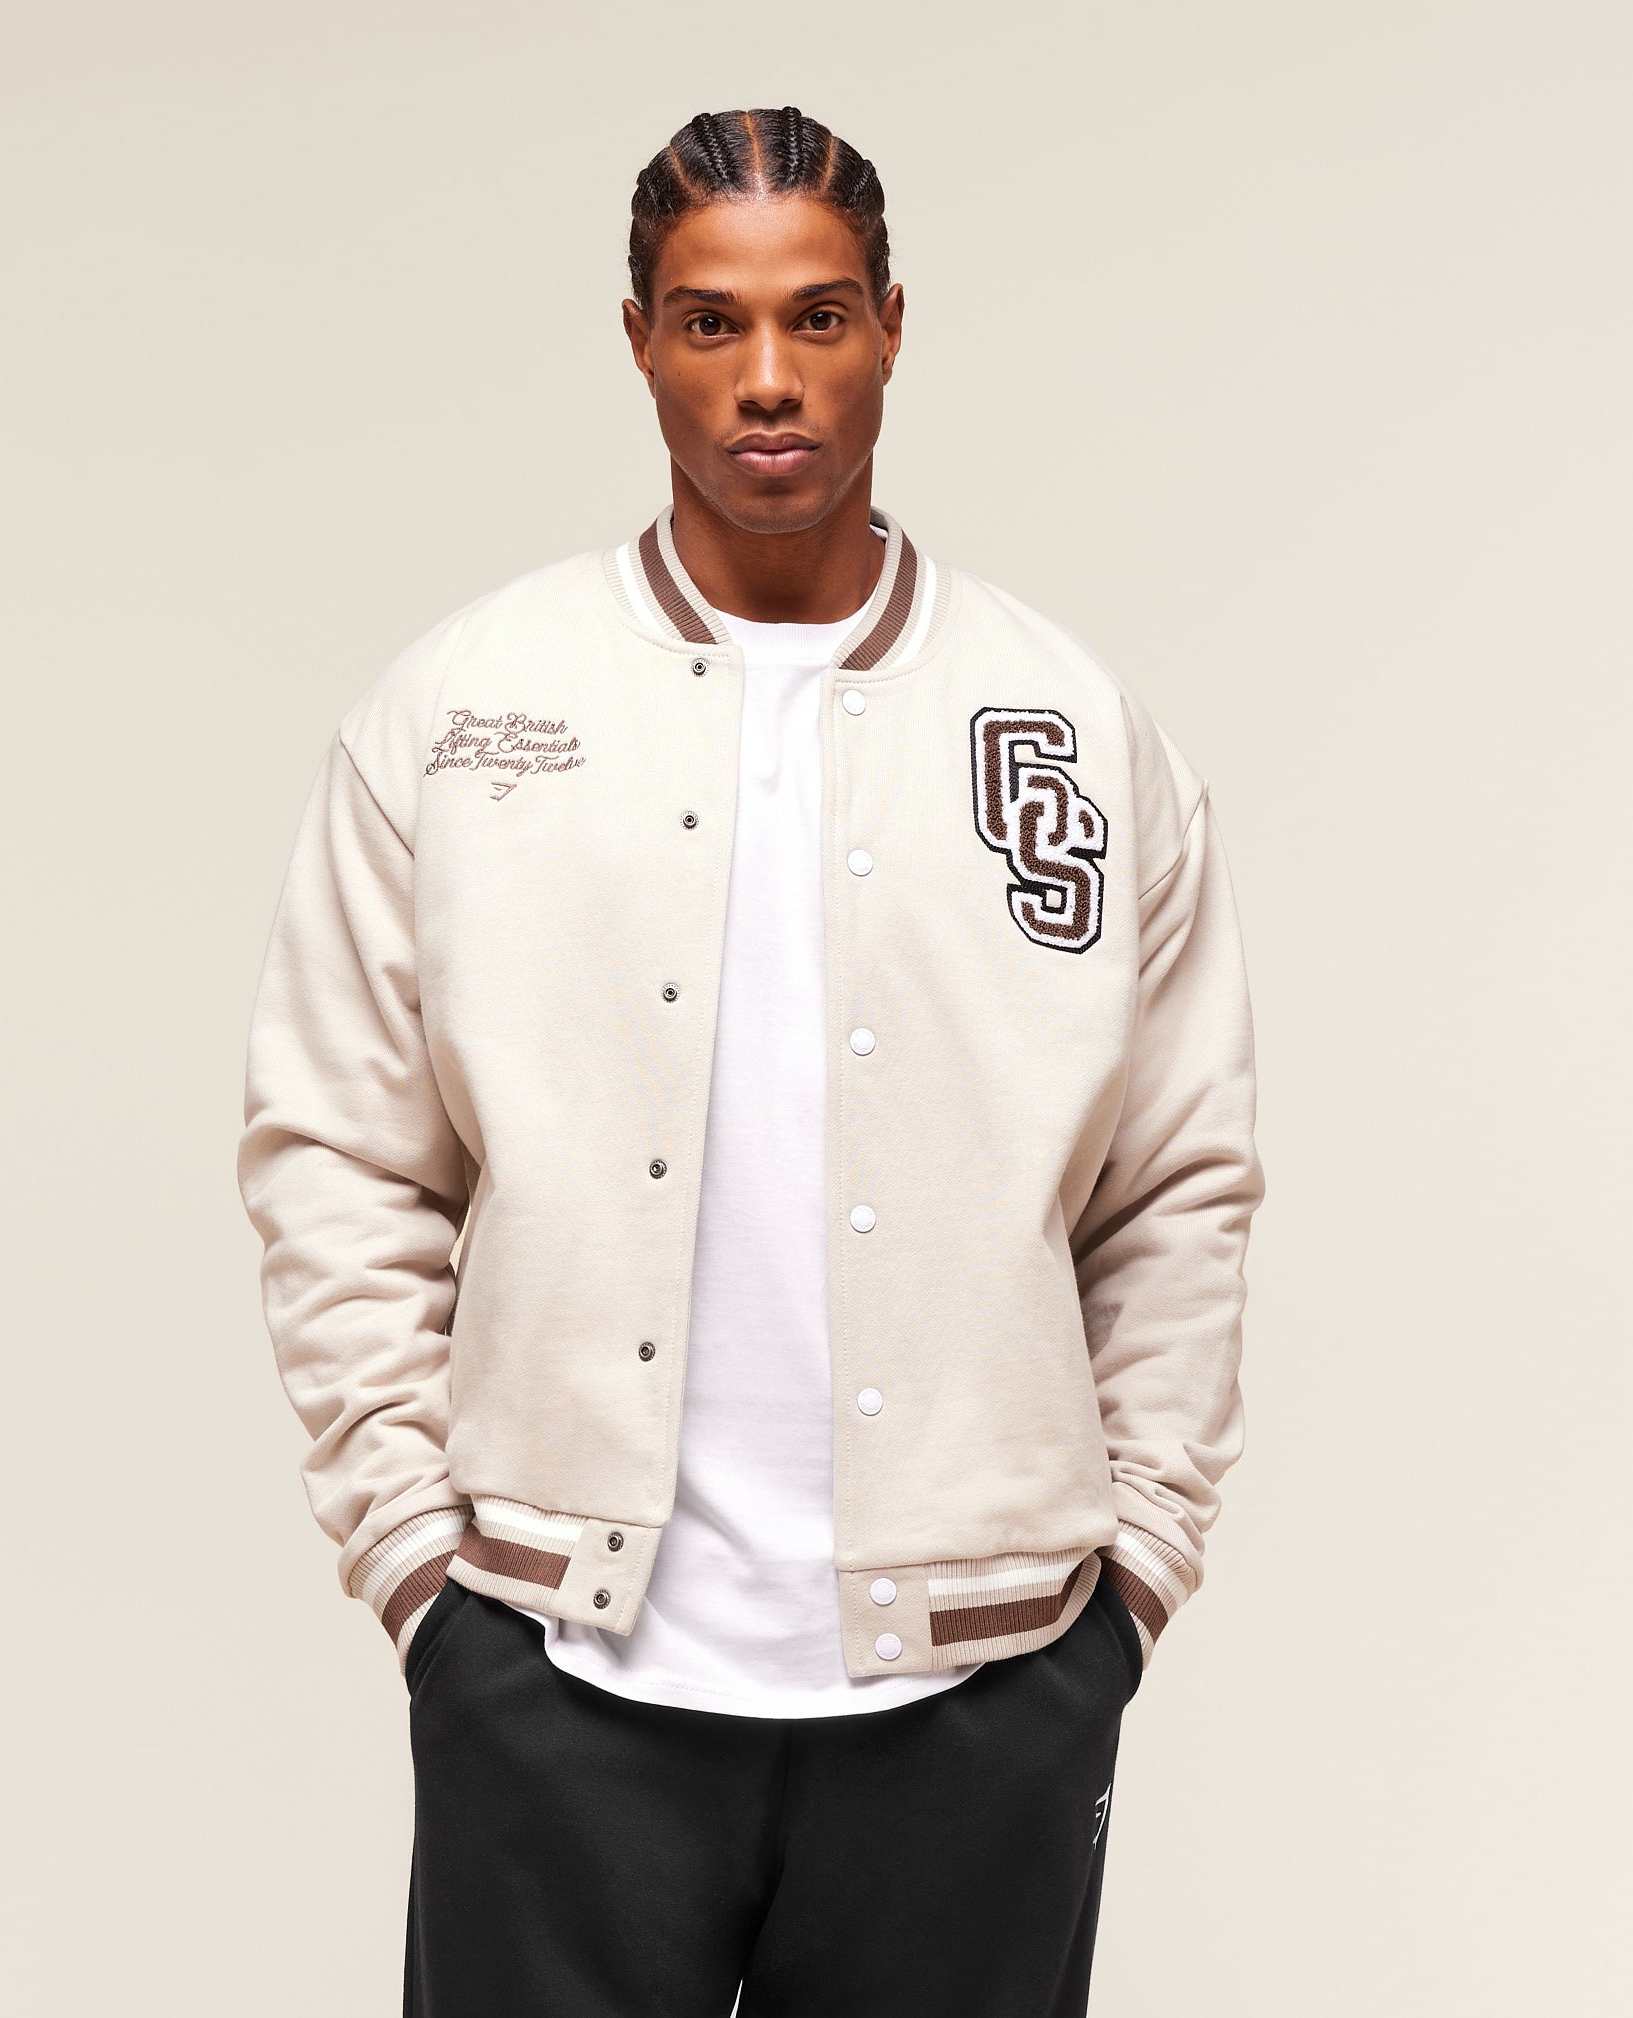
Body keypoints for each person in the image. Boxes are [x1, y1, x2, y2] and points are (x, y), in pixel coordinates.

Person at [238, 104, 1266, 2018]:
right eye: (712, 321)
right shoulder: (465, 710)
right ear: (637, 336)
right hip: (555, 1678)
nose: (769, 379)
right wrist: (424, 1584)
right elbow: (339, 1157)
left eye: (819, 315)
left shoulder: (1070, 723)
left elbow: (1180, 1184)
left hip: (987, 1688)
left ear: (894, 326)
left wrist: (1124, 1589)